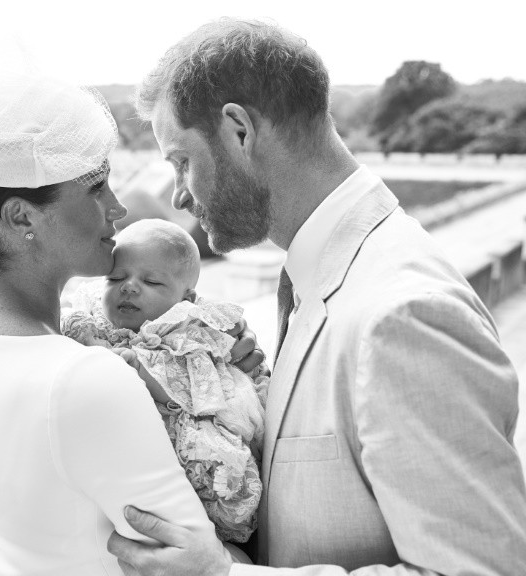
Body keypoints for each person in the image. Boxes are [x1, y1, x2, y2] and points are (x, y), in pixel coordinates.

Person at [106, 18, 526, 576]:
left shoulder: (404, 315)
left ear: (238, 131)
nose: (179, 194)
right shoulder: (325, 272)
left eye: (182, 161)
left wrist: (224, 575)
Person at [0, 74, 261, 576]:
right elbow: (196, 561)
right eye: (96, 188)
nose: (117, 208)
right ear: (23, 216)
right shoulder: (88, 376)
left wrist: (209, 355)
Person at [62, 218, 269, 543]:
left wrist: (130, 364)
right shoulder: (93, 318)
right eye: (116, 277)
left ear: (186, 297)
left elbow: (180, 382)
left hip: (190, 440)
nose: (129, 286)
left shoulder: (187, 330)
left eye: (152, 282)